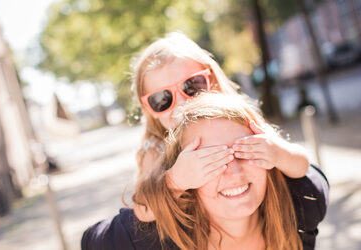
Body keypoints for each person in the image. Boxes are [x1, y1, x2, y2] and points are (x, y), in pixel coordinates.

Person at [81, 93, 329, 250]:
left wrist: (282, 153)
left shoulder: (301, 206)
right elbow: (91, 241)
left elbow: (307, 170)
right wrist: (172, 182)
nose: (233, 171)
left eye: (245, 151)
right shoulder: (161, 239)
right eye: (209, 161)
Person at [128, 31, 310, 221]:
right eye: (162, 99)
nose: (182, 104)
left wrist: (279, 154)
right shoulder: (155, 148)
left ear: (213, 80)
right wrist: (175, 181)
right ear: (148, 109)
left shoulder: (240, 122)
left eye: (192, 85)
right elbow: (143, 211)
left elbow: (302, 165)